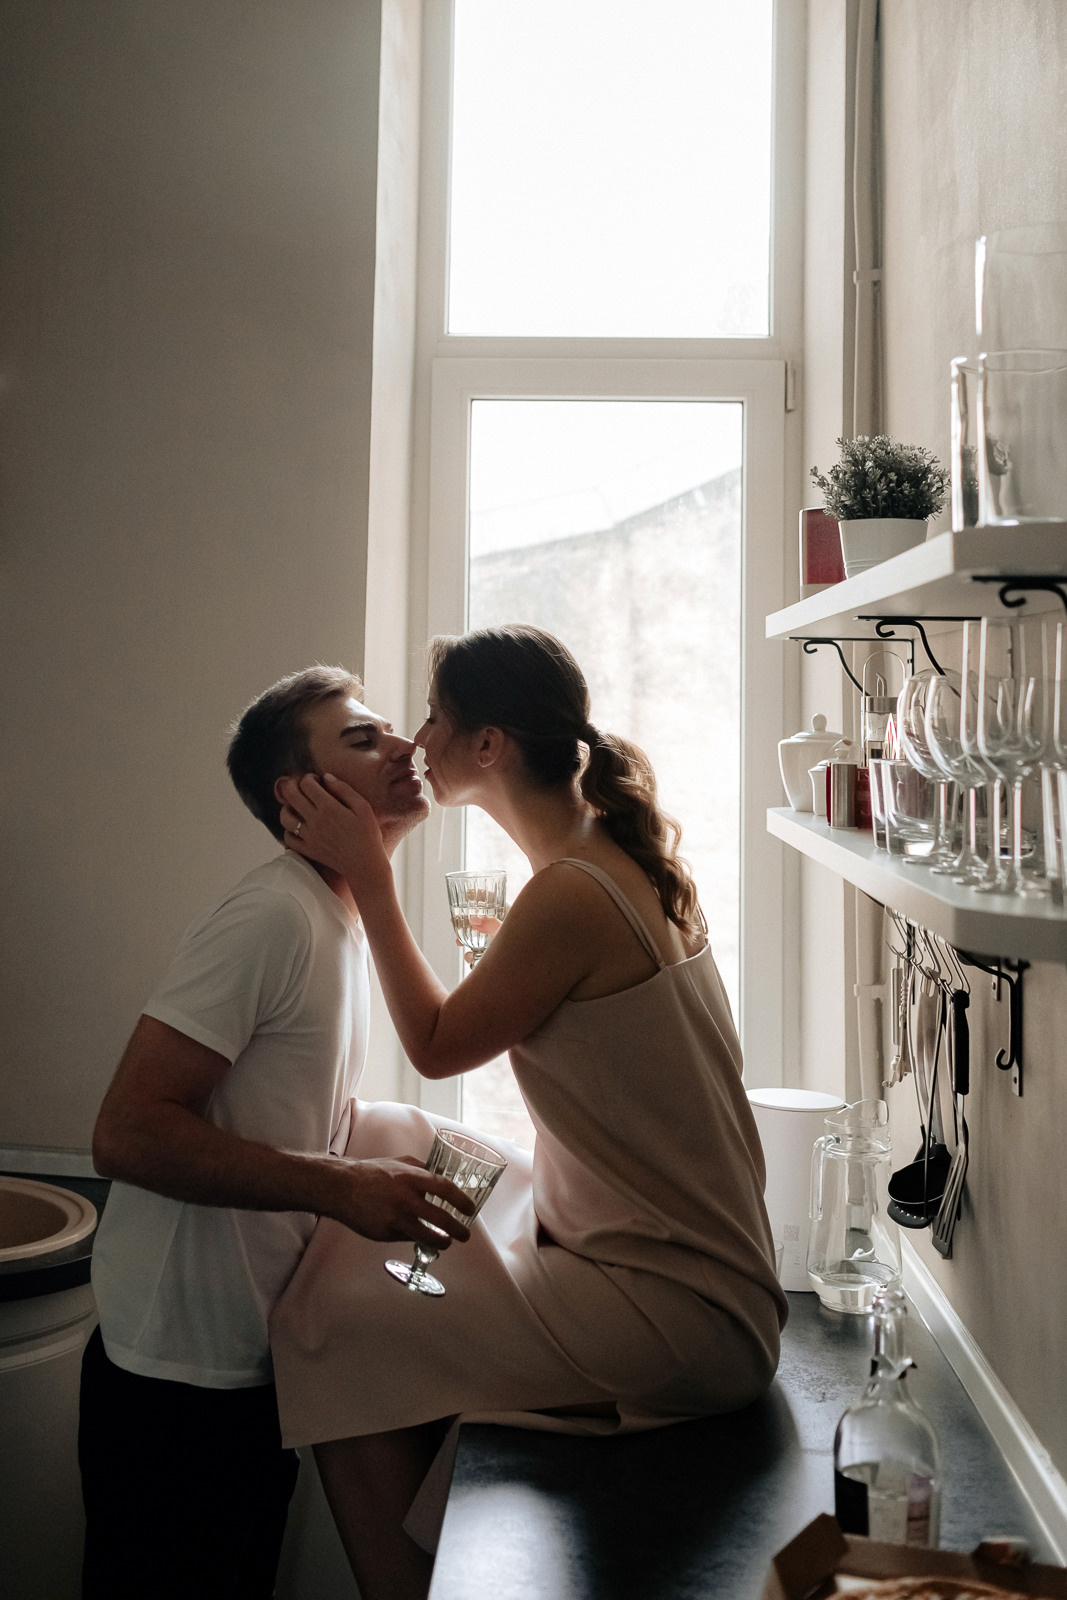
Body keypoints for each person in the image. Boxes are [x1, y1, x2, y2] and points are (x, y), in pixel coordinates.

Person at [269, 624, 789, 1600]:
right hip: (649, 1250)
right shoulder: (603, 855)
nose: (418, 737)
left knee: (329, 1320)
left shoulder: (571, 894)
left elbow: (434, 1043)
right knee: (384, 1133)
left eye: (435, 717)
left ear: (488, 744)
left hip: (677, 1310)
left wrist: (370, 871)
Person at [79, 665, 473, 1600]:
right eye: (363, 739)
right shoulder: (271, 916)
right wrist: (341, 1187)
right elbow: (126, 1135)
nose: (407, 747)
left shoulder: (340, 917)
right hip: (174, 1379)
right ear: (298, 796)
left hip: (247, 1362)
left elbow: (288, 1108)